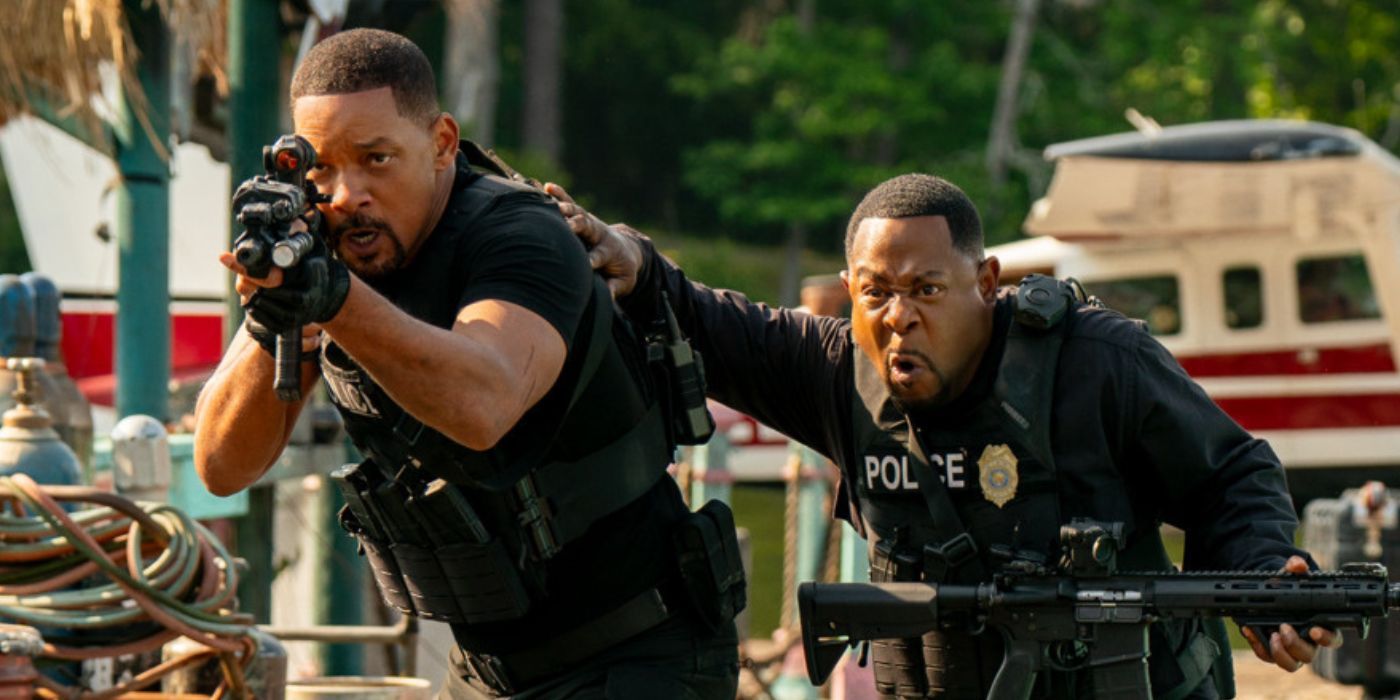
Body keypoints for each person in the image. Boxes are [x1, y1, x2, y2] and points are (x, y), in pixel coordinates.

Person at [546, 173, 1339, 699]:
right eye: (875, 293)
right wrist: (630, 260)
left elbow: (1233, 475)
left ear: (986, 283)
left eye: (927, 289)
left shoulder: (1099, 363)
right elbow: (706, 318)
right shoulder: (836, 371)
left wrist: (1262, 580)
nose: (899, 316)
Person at [193, 29, 742, 700]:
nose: (347, 194)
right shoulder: (324, 248)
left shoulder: (520, 236)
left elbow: (484, 406)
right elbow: (220, 465)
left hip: (637, 653)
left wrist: (334, 299)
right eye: (323, 169)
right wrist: (278, 314)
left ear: (443, 143)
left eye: (376, 159)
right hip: (487, 673)